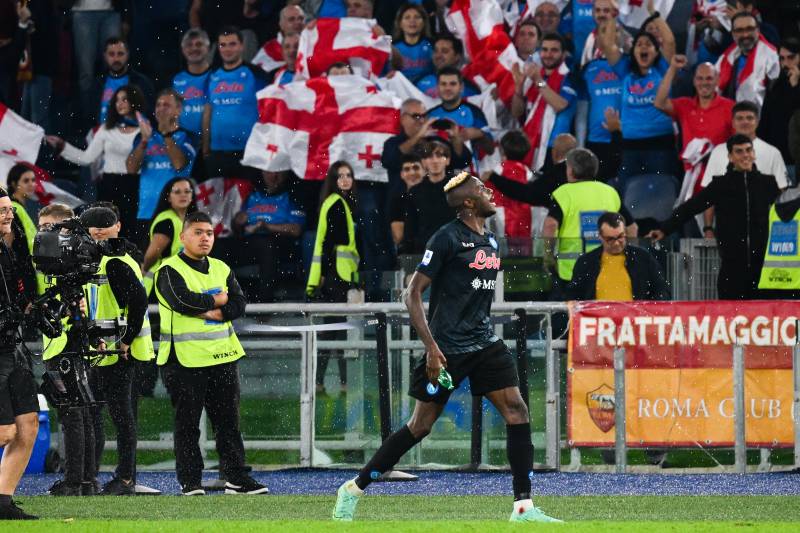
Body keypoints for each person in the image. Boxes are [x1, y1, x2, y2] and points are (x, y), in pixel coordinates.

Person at [331, 172, 561, 524]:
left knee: (517, 410)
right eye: (483, 191)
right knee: (420, 426)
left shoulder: (492, 241)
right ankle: (353, 488)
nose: (490, 194)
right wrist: (432, 348)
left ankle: (523, 507)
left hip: (484, 343)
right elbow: (411, 294)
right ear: (468, 202)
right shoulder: (446, 238)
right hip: (448, 349)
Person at [154, 211, 267, 496]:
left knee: (229, 423)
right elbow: (181, 301)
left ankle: (236, 478)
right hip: (184, 359)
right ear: (183, 237)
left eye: (209, 233)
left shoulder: (221, 267)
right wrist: (218, 301)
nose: (205, 238)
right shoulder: (168, 269)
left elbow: (239, 304)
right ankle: (191, 481)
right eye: (198, 232)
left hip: (223, 357)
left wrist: (213, 309)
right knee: (188, 425)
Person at [648, 134, 780, 300]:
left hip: (763, 268)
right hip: (731, 269)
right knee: (731, 318)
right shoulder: (720, 185)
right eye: (739, 152)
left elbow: (786, 212)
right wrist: (665, 228)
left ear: (754, 153)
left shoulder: (768, 183)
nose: (745, 155)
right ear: (730, 157)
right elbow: (691, 207)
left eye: (748, 150)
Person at [79, 206, 154, 496]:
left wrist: (125, 340)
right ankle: (117, 477)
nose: (98, 229)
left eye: (104, 224)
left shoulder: (112, 260)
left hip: (117, 351)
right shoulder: (113, 256)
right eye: (92, 225)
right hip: (109, 348)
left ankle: (124, 479)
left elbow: (138, 302)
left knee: (120, 416)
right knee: (118, 415)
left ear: (118, 226)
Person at [38, 204, 96, 499]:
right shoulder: (70, 263)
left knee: (73, 411)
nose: (43, 234)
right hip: (66, 341)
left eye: (50, 227)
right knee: (79, 410)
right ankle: (85, 479)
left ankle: (76, 480)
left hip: (63, 343)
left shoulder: (59, 263)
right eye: (41, 227)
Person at [46, 85, 144, 240]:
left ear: (134, 101)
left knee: (129, 229)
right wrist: (62, 146)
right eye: (117, 100)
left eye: (124, 99)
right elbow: (87, 158)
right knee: (105, 227)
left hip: (134, 184)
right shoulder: (106, 129)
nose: (120, 103)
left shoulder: (144, 131)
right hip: (109, 183)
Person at [597, 10, 677, 185]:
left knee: (659, 192)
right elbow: (608, 45)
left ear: (657, 52)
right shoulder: (625, 71)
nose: (643, 47)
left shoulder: (663, 69)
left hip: (660, 144)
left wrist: (654, 14)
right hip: (630, 145)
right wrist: (612, 14)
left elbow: (669, 41)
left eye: (649, 44)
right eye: (639, 44)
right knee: (628, 193)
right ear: (633, 51)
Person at [542, 148, 637, 286]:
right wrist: (629, 257)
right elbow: (632, 228)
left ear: (571, 170)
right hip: (607, 267)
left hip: (571, 271)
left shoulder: (564, 193)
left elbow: (550, 225)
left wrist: (548, 257)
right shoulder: (610, 192)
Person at [0, 187, 38, 518]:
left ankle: (3, 502)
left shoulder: (9, 250)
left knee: (28, 425)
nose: (9, 215)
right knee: (4, 431)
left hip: (15, 347)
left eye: (9, 209)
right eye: (2, 211)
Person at [306, 162, 360, 394]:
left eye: (349, 175)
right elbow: (328, 243)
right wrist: (325, 277)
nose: (346, 180)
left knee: (336, 329)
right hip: (337, 275)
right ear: (333, 180)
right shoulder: (337, 204)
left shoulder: (341, 203)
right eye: (340, 176)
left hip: (342, 273)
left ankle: (334, 383)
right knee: (335, 329)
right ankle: (331, 383)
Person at [127, 88, 196, 246]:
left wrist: (165, 134)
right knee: (146, 265)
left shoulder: (188, 137)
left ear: (178, 109)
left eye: (166, 105)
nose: (161, 109)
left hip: (176, 214)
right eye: (158, 105)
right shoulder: (144, 136)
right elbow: (131, 168)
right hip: (146, 211)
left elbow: (179, 164)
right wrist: (144, 141)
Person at [202, 26, 269, 179]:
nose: (227, 49)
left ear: (241, 46)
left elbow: (267, 111)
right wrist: (206, 149)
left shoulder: (257, 74)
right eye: (223, 45)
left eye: (232, 44)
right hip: (218, 153)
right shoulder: (212, 76)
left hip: (249, 152)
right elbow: (207, 113)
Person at [232, 170, 305, 303]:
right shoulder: (252, 196)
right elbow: (237, 229)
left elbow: (296, 229)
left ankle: (264, 304)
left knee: (267, 245)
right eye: (269, 172)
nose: (273, 176)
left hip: (280, 243)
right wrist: (237, 222)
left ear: (285, 174)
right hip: (250, 243)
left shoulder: (292, 196)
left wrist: (267, 227)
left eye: (278, 172)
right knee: (219, 246)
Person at [511, 32, 577, 172]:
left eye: (554, 50)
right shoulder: (533, 76)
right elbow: (517, 112)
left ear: (563, 54)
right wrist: (518, 89)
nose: (548, 54)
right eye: (545, 50)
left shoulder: (570, 77)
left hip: (555, 147)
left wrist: (538, 81)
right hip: (529, 143)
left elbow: (560, 105)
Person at [568, 211, 669, 300]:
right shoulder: (586, 262)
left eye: (620, 237)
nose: (616, 243)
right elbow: (573, 296)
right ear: (600, 237)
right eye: (610, 239)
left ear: (625, 232)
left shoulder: (643, 258)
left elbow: (661, 290)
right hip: (600, 320)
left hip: (634, 320)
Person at [143, 178, 197, 296]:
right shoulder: (166, 221)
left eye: (187, 191)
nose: (183, 195)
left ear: (192, 196)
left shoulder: (189, 221)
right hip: (160, 286)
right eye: (177, 192)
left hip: (175, 283)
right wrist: (144, 269)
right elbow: (152, 254)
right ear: (168, 197)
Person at [402, 139, 456, 254]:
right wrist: (408, 256)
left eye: (440, 155)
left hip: (456, 251)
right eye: (430, 156)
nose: (435, 160)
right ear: (423, 162)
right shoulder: (414, 192)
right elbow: (410, 228)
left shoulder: (460, 188)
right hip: (425, 252)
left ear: (448, 160)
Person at [758, 37, 800, 181]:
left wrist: (795, 87)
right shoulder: (775, 86)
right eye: (782, 59)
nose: (786, 63)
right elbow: (765, 123)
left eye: (791, 58)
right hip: (776, 162)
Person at [716, 12, 779, 107]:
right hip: (729, 114)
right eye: (739, 30)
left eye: (749, 29)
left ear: (758, 30)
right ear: (733, 34)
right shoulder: (727, 57)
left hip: (759, 117)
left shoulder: (771, 57)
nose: (745, 35)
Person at [427, 67, 493, 155]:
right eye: (443, 84)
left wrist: (480, 134)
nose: (448, 88)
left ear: (461, 87)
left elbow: (490, 150)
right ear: (438, 87)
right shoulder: (430, 114)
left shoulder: (474, 112)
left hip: (467, 168)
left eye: (452, 84)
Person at [92, 38, 155, 128]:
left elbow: (149, 114)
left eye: (120, 54)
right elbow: (90, 116)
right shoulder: (97, 84)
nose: (116, 59)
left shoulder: (141, 83)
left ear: (127, 55)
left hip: (131, 135)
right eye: (111, 54)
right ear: (105, 56)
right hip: (102, 135)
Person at [4, 165, 39, 298]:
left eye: (33, 180)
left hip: (27, 271)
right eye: (26, 181)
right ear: (14, 184)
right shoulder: (12, 208)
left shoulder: (19, 208)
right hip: (22, 276)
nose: (31, 184)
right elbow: (8, 244)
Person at [173, 29, 212, 146]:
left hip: (214, 142)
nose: (194, 48)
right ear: (183, 50)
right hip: (185, 143)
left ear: (208, 48)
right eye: (189, 45)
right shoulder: (177, 79)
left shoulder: (217, 76)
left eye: (199, 44)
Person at [414, 34, 479, 98]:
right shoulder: (420, 82)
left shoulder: (469, 88)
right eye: (435, 51)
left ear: (457, 56)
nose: (438, 56)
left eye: (445, 51)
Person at [253, 4, 305, 74]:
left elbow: (313, 61)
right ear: (281, 25)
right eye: (291, 19)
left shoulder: (312, 44)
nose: (298, 22)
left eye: (301, 18)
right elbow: (256, 73)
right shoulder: (269, 49)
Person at [389, 153, 424, 248]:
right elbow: (398, 237)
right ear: (402, 175)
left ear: (424, 171)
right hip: (410, 253)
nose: (412, 173)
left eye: (416, 168)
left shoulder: (436, 195)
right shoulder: (397, 201)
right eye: (407, 169)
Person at [392, 3, 433, 83]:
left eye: (417, 17)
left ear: (424, 22)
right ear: (400, 23)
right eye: (407, 17)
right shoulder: (393, 47)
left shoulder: (432, 45)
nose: (412, 21)